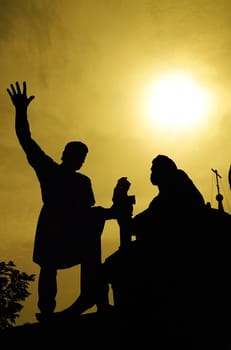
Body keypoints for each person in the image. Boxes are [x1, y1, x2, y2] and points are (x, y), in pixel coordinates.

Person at [7, 81, 117, 322]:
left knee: (91, 248)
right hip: (52, 229)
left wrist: (111, 212)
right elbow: (26, 140)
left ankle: (94, 298)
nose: (82, 160)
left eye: (84, 157)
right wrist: (21, 110)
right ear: (66, 154)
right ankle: (46, 312)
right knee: (49, 267)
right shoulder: (49, 170)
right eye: (78, 155)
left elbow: (88, 212)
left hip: (74, 232)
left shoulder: (83, 180)